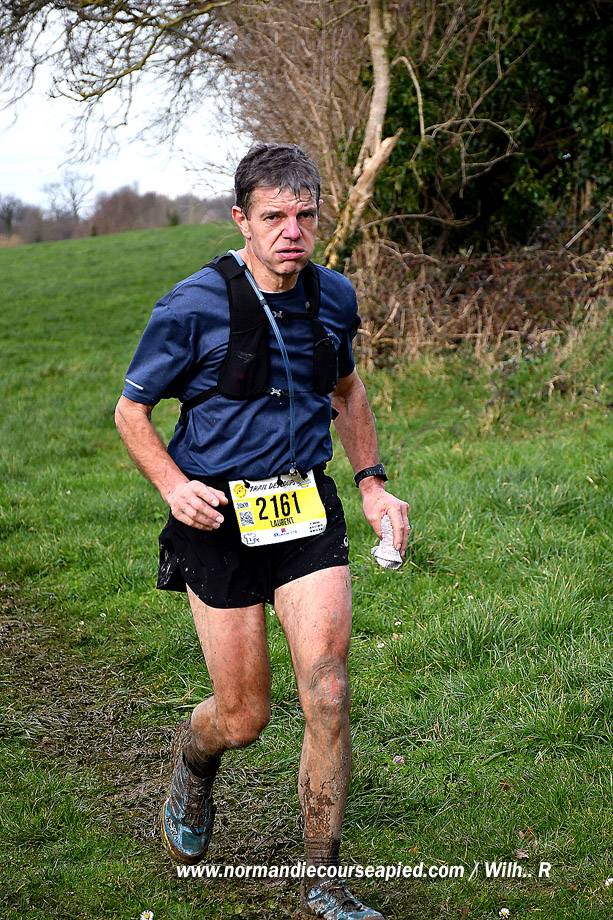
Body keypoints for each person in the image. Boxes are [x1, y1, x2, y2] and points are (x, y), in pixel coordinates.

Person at [115, 143, 410, 920]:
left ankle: (322, 881)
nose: (292, 231)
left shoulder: (333, 296)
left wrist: (371, 484)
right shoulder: (191, 306)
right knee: (243, 717)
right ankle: (195, 757)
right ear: (240, 219)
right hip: (217, 518)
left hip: (305, 508)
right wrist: (173, 485)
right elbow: (130, 411)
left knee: (329, 689)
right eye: (273, 217)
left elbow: (346, 391)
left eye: (304, 215)